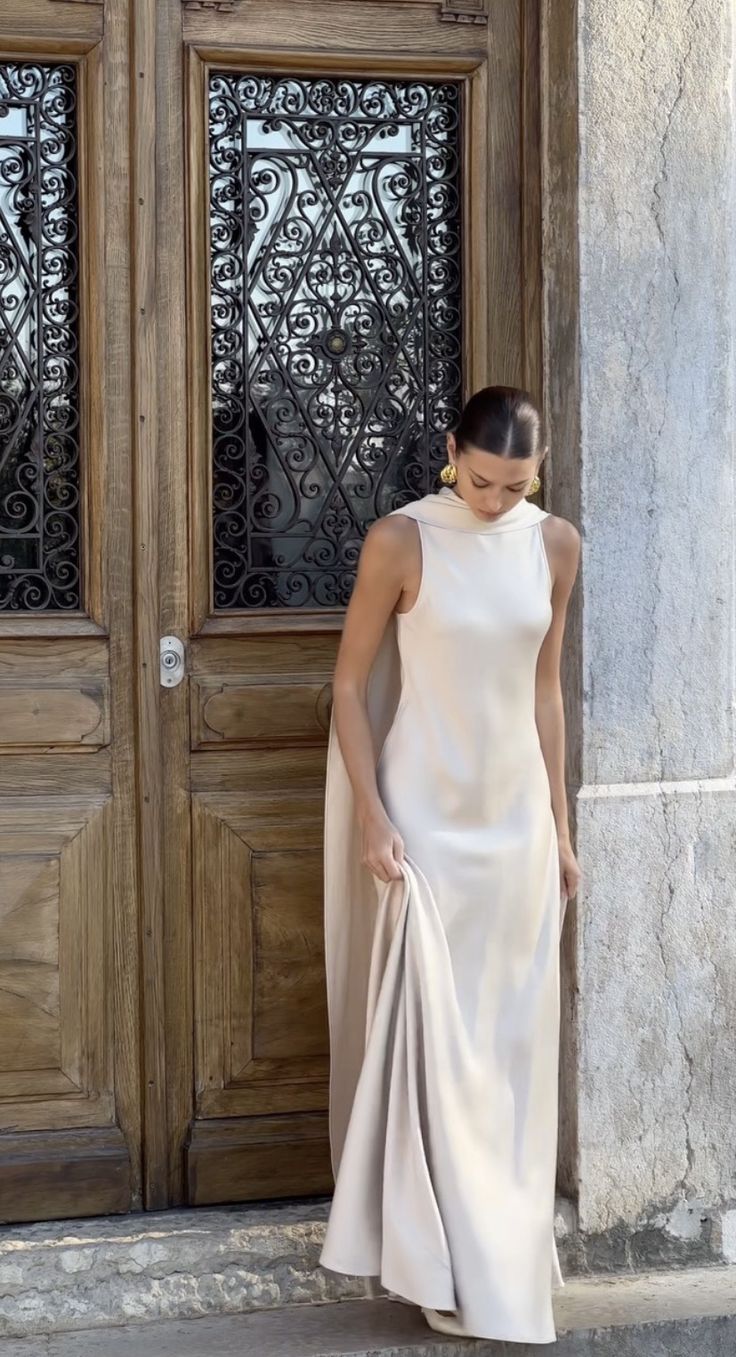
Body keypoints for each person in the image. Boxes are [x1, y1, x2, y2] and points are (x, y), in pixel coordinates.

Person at [319, 386, 582, 1345]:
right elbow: (348, 686)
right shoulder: (400, 539)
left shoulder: (554, 544)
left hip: (512, 827)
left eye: (516, 486)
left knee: (508, 1053)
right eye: (480, 480)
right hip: (425, 824)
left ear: (537, 473)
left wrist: (558, 825)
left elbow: (543, 690)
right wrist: (372, 818)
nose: (495, 500)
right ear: (449, 453)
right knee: (436, 1048)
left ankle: (503, 1257)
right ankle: (434, 1261)